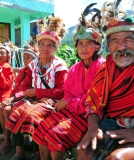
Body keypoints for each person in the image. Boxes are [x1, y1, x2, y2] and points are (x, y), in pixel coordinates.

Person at [77, 1, 134, 160]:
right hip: (112, 125)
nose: (121, 47)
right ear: (108, 45)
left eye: (128, 39)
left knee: (116, 158)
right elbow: (93, 104)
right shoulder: (106, 70)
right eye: (114, 41)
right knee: (84, 152)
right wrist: (93, 127)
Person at [32, 4, 105, 160]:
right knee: (42, 129)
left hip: (90, 115)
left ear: (97, 46)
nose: (83, 48)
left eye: (88, 43)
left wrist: (69, 102)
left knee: (54, 135)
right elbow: (67, 91)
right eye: (80, 44)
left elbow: (96, 97)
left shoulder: (102, 67)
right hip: (71, 110)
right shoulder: (75, 68)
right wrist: (68, 102)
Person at [5, 31, 68, 160]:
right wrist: (36, 95)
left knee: (32, 116)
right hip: (34, 99)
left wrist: (39, 93)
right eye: (42, 44)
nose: (45, 48)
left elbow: (61, 91)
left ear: (55, 48)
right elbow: (26, 87)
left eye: (50, 45)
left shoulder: (59, 66)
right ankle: (19, 152)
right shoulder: (34, 65)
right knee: (15, 111)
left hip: (52, 102)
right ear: (38, 47)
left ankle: (38, 153)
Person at [0, 44, 38, 156]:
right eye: (24, 57)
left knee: (7, 109)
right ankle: (9, 140)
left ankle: (10, 142)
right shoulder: (22, 71)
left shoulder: (35, 71)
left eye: (28, 57)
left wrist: (11, 99)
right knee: (5, 107)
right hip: (16, 97)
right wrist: (11, 98)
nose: (25, 60)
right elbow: (16, 89)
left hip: (29, 98)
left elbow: (7, 86)